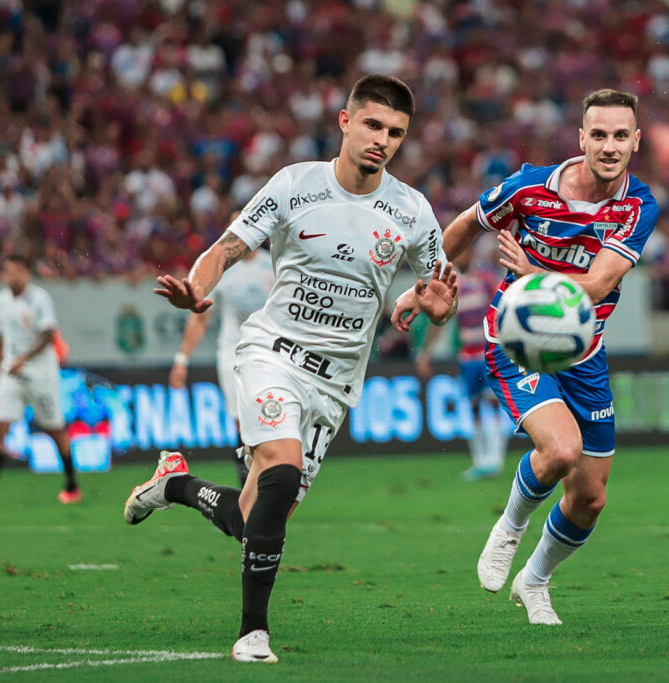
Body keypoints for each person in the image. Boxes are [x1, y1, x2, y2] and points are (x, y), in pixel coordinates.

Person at [123, 75, 456, 663]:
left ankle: (173, 484)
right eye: (374, 125)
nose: (383, 140)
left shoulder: (412, 210)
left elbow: (437, 288)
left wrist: (438, 306)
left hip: (337, 383)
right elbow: (228, 247)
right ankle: (254, 632)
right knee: (280, 471)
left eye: (396, 132)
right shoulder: (296, 184)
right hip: (272, 353)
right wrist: (196, 289)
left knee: (256, 517)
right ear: (345, 122)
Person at [395, 89, 658, 625]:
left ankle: (534, 581)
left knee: (590, 498)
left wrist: (535, 272)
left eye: (620, 136)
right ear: (582, 138)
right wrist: (425, 285)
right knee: (561, 452)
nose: (609, 146)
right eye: (599, 135)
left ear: (636, 141)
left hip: (584, 352)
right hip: (517, 339)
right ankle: (510, 525)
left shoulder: (639, 205)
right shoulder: (530, 186)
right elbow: (467, 225)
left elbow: (599, 282)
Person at [0, 254, 81, 505]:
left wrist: (25, 357)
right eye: (8, 271)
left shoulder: (39, 298)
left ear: (27, 274)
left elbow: (47, 334)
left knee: (54, 429)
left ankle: (72, 484)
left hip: (40, 373)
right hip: (11, 372)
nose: (12, 276)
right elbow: (2, 335)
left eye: (17, 271)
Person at [169, 246, 274, 485]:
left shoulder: (273, 264)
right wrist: (182, 360)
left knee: (266, 415)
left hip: (269, 351)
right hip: (232, 353)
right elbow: (200, 318)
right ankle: (247, 481)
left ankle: (266, 474)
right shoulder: (221, 270)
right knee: (241, 420)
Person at [416, 247, 509, 481]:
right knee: (474, 406)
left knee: (493, 403)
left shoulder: (486, 279)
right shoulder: (451, 285)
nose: (462, 255)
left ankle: (495, 461)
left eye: (464, 251)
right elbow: (439, 321)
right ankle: (480, 462)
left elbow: (504, 309)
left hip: (490, 353)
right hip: (467, 357)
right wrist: (425, 352)